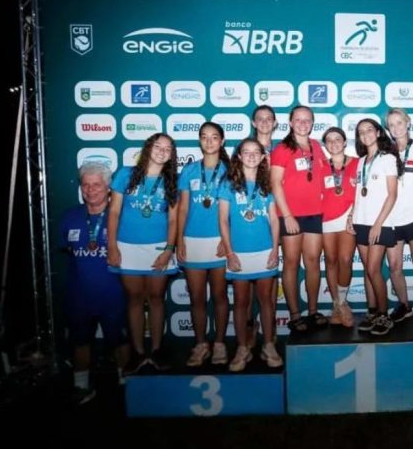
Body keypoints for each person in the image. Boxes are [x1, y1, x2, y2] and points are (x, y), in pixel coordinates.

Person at [107, 133, 179, 374]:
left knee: (157, 297)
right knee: (135, 298)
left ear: (171, 155)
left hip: (159, 246)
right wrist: (112, 246)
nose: (162, 151)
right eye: (158, 146)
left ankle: (157, 350)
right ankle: (138, 353)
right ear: (148, 148)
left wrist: (168, 250)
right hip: (127, 246)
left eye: (167, 149)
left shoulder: (171, 180)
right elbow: (114, 212)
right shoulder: (125, 174)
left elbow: (173, 220)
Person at [61, 162, 129, 404]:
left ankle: (126, 386)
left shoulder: (120, 217)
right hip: (79, 296)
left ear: (108, 187)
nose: (90, 190)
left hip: (114, 294)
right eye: (85, 185)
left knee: (120, 342)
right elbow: (67, 253)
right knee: (80, 342)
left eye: (96, 185)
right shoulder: (70, 217)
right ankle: (81, 387)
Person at [218, 139, 282, 370]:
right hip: (239, 253)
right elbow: (223, 220)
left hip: (264, 250)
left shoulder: (267, 184)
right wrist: (229, 252)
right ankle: (242, 347)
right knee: (241, 302)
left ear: (263, 157)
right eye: (247, 152)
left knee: (266, 301)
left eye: (257, 152)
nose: (252, 156)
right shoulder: (228, 184)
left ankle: (268, 345)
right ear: (239, 156)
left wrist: (274, 249)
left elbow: (274, 220)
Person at [270, 105, 328, 332]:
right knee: (291, 263)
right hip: (290, 215)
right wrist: (287, 215)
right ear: (290, 123)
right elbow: (275, 183)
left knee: (313, 261)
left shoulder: (316, 146)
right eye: (298, 119)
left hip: (314, 213)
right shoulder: (282, 148)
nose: (303, 123)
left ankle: (313, 311)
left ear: (312, 123)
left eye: (307, 120)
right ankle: (295, 315)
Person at [177, 122, 231, 367]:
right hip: (193, 241)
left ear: (222, 141)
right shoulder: (189, 171)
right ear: (199, 140)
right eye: (204, 137)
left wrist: (227, 241)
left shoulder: (231, 171)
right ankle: (200, 344)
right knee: (197, 297)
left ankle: (219, 343)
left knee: (220, 295)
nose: (209, 141)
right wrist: (179, 240)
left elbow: (234, 210)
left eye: (214, 137)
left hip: (220, 241)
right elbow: (183, 208)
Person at [349, 119, 401, 336]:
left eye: (369, 130)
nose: (365, 134)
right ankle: (372, 312)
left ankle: (384, 315)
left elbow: (392, 194)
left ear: (378, 132)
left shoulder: (388, 158)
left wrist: (378, 224)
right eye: (361, 132)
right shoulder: (361, 161)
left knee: (373, 269)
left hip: (379, 223)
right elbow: (359, 193)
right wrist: (351, 215)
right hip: (361, 220)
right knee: (367, 270)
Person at [384, 108, 413, 327]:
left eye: (399, 123)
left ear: (408, 123)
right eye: (391, 125)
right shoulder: (385, 152)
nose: (396, 128)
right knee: (394, 266)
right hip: (392, 218)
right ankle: (404, 305)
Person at [245, 105, 279, 349]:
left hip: (275, 214)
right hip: (248, 217)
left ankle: (270, 330)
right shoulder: (246, 148)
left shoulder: (282, 149)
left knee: (270, 270)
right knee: (245, 279)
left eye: (269, 119)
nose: (265, 122)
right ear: (253, 123)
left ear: (275, 123)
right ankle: (248, 327)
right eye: (260, 119)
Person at [320, 127, 357, 328]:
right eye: (329, 140)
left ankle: (341, 301)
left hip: (348, 216)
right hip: (325, 219)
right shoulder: (320, 165)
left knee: (345, 259)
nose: (334, 143)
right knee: (331, 260)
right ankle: (338, 305)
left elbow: (364, 191)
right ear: (325, 145)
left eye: (337, 139)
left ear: (344, 142)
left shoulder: (358, 163)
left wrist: (353, 214)